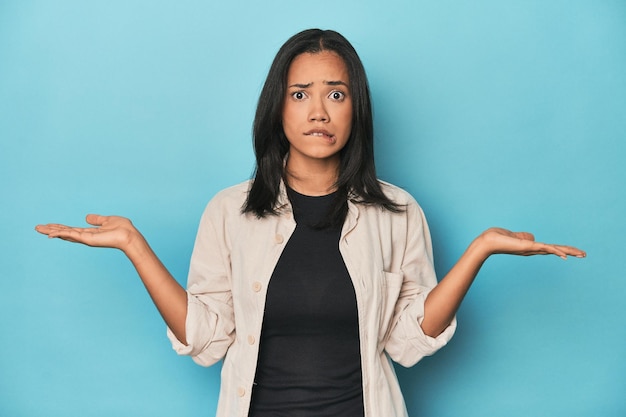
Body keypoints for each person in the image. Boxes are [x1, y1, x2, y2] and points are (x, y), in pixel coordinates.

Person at [35, 29, 585, 417]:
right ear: (279, 109)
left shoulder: (398, 213)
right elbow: (206, 339)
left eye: (335, 94)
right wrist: (135, 245)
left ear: (355, 109)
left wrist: (479, 251)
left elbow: (407, 342)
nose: (318, 111)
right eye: (300, 95)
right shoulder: (228, 211)